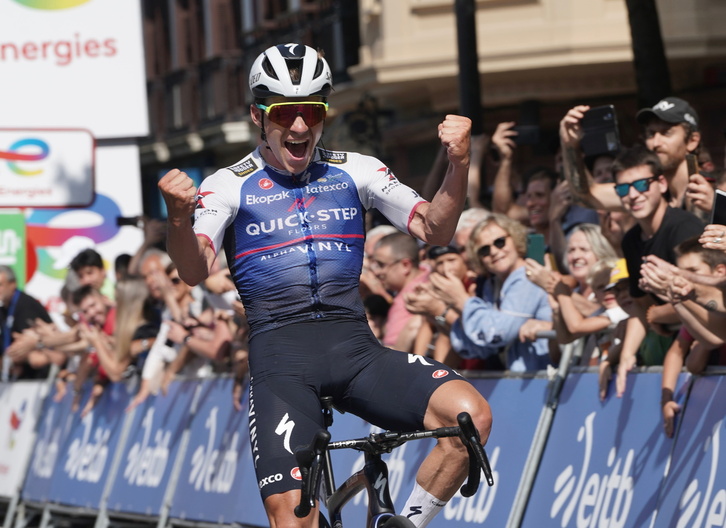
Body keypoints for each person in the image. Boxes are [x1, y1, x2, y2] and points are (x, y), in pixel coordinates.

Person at [157, 43, 492, 528]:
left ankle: (406, 524)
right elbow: (193, 271)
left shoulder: (359, 169)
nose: (298, 127)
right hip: (282, 364)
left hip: (357, 350)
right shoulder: (227, 184)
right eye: (285, 113)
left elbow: (435, 229)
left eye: (311, 112)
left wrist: (459, 164)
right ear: (257, 114)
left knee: (469, 418)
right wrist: (177, 219)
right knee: (292, 518)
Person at [610, 145, 704, 397]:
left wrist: (657, 314)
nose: (632, 194)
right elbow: (641, 308)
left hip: (704, 346)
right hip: (674, 344)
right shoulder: (631, 240)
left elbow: (705, 299)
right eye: (622, 188)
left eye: (641, 184)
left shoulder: (684, 228)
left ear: (661, 183)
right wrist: (627, 355)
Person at [428, 213, 554, 372]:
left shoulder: (529, 276)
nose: (493, 251)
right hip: (516, 381)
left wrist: (461, 300)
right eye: (484, 250)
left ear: (515, 239)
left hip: (542, 379)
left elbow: (499, 332)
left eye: (499, 242)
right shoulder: (491, 285)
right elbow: (478, 348)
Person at [560, 96, 704, 212]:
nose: (656, 142)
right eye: (651, 133)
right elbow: (585, 196)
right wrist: (570, 144)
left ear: (692, 140)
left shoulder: (714, 190)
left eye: (666, 133)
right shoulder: (645, 192)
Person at [371, 232, 430, 351]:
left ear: (406, 265)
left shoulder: (421, 292)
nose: (376, 272)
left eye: (381, 265)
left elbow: (394, 348)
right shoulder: (404, 290)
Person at [0, 265, 54, 380]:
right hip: (16, 377)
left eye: (0, 285)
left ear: (12, 284)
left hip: (39, 377)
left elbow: (25, 347)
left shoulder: (26, 306)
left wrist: (8, 359)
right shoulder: (3, 308)